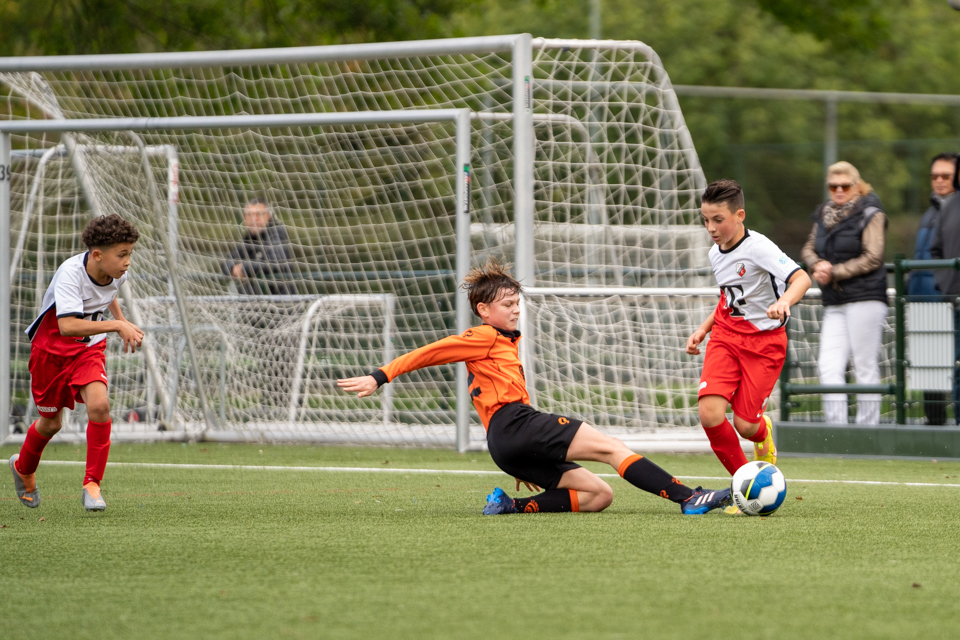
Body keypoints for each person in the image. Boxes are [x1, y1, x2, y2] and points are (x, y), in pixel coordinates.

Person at [338, 258, 732, 516]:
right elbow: (430, 352)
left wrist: (521, 453)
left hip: (505, 444)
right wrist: (380, 375)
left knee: (599, 496)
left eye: (516, 302)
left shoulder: (503, 342)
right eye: (506, 304)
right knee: (612, 448)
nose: (514, 309)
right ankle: (688, 497)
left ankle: (511, 506)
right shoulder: (483, 335)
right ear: (483, 310)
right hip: (516, 425)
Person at [9, 214, 144, 512]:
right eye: (122, 255)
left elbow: (108, 293)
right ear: (97, 255)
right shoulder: (70, 273)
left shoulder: (117, 272)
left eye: (129, 254)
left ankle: (92, 484)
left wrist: (121, 319)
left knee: (100, 406)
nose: (127, 262)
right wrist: (116, 326)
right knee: (51, 423)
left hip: (88, 349)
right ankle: (23, 468)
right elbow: (68, 326)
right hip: (51, 352)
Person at [686, 180, 811, 476]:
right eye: (705, 220)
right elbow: (729, 299)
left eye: (718, 219)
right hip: (725, 338)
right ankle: (745, 481)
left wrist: (784, 301)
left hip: (764, 344)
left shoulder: (759, 248)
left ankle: (762, 431)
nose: (711, 228)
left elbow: (802, 279)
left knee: (745, 426)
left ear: (739, 215)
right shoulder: (715, 253)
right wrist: (704, 329)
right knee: (709, 414)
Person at [801, 161, 888, 425]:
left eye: (845, 186)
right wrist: (817, 264)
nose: (839, 190)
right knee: (828, 365)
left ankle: (868, 430)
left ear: (857, 186)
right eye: (833, 186)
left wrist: (835, 272)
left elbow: (873, 256)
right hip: (834, 300)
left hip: (865, 297)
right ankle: (836, 430)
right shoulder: (823, 214)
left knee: (864, 365)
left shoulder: (871, 213)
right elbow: (808, 248)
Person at [909, 153, 956, 425]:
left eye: (945, 176)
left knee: (951, 365)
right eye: (934, 176)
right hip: (922, 298)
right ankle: (934, 423)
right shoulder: (930, 212)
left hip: (947, 298)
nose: (939, 181)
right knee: (929, 368)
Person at [930, 154, 960, 423]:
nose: (939, 181)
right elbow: (936, 250)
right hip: (955, 300)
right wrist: (947, 284)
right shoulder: (949, 207)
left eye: (945, 175)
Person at [221, 197, 294, 296]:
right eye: (250, 215)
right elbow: (227, 261)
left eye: (259, 214)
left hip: (279, 300)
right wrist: (233, 268)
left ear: (268, 216)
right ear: (245, 218)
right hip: (253, 300)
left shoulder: (276, 232)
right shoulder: (250, 236)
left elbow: (276, 262)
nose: (254, 219)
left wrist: (244, 268)